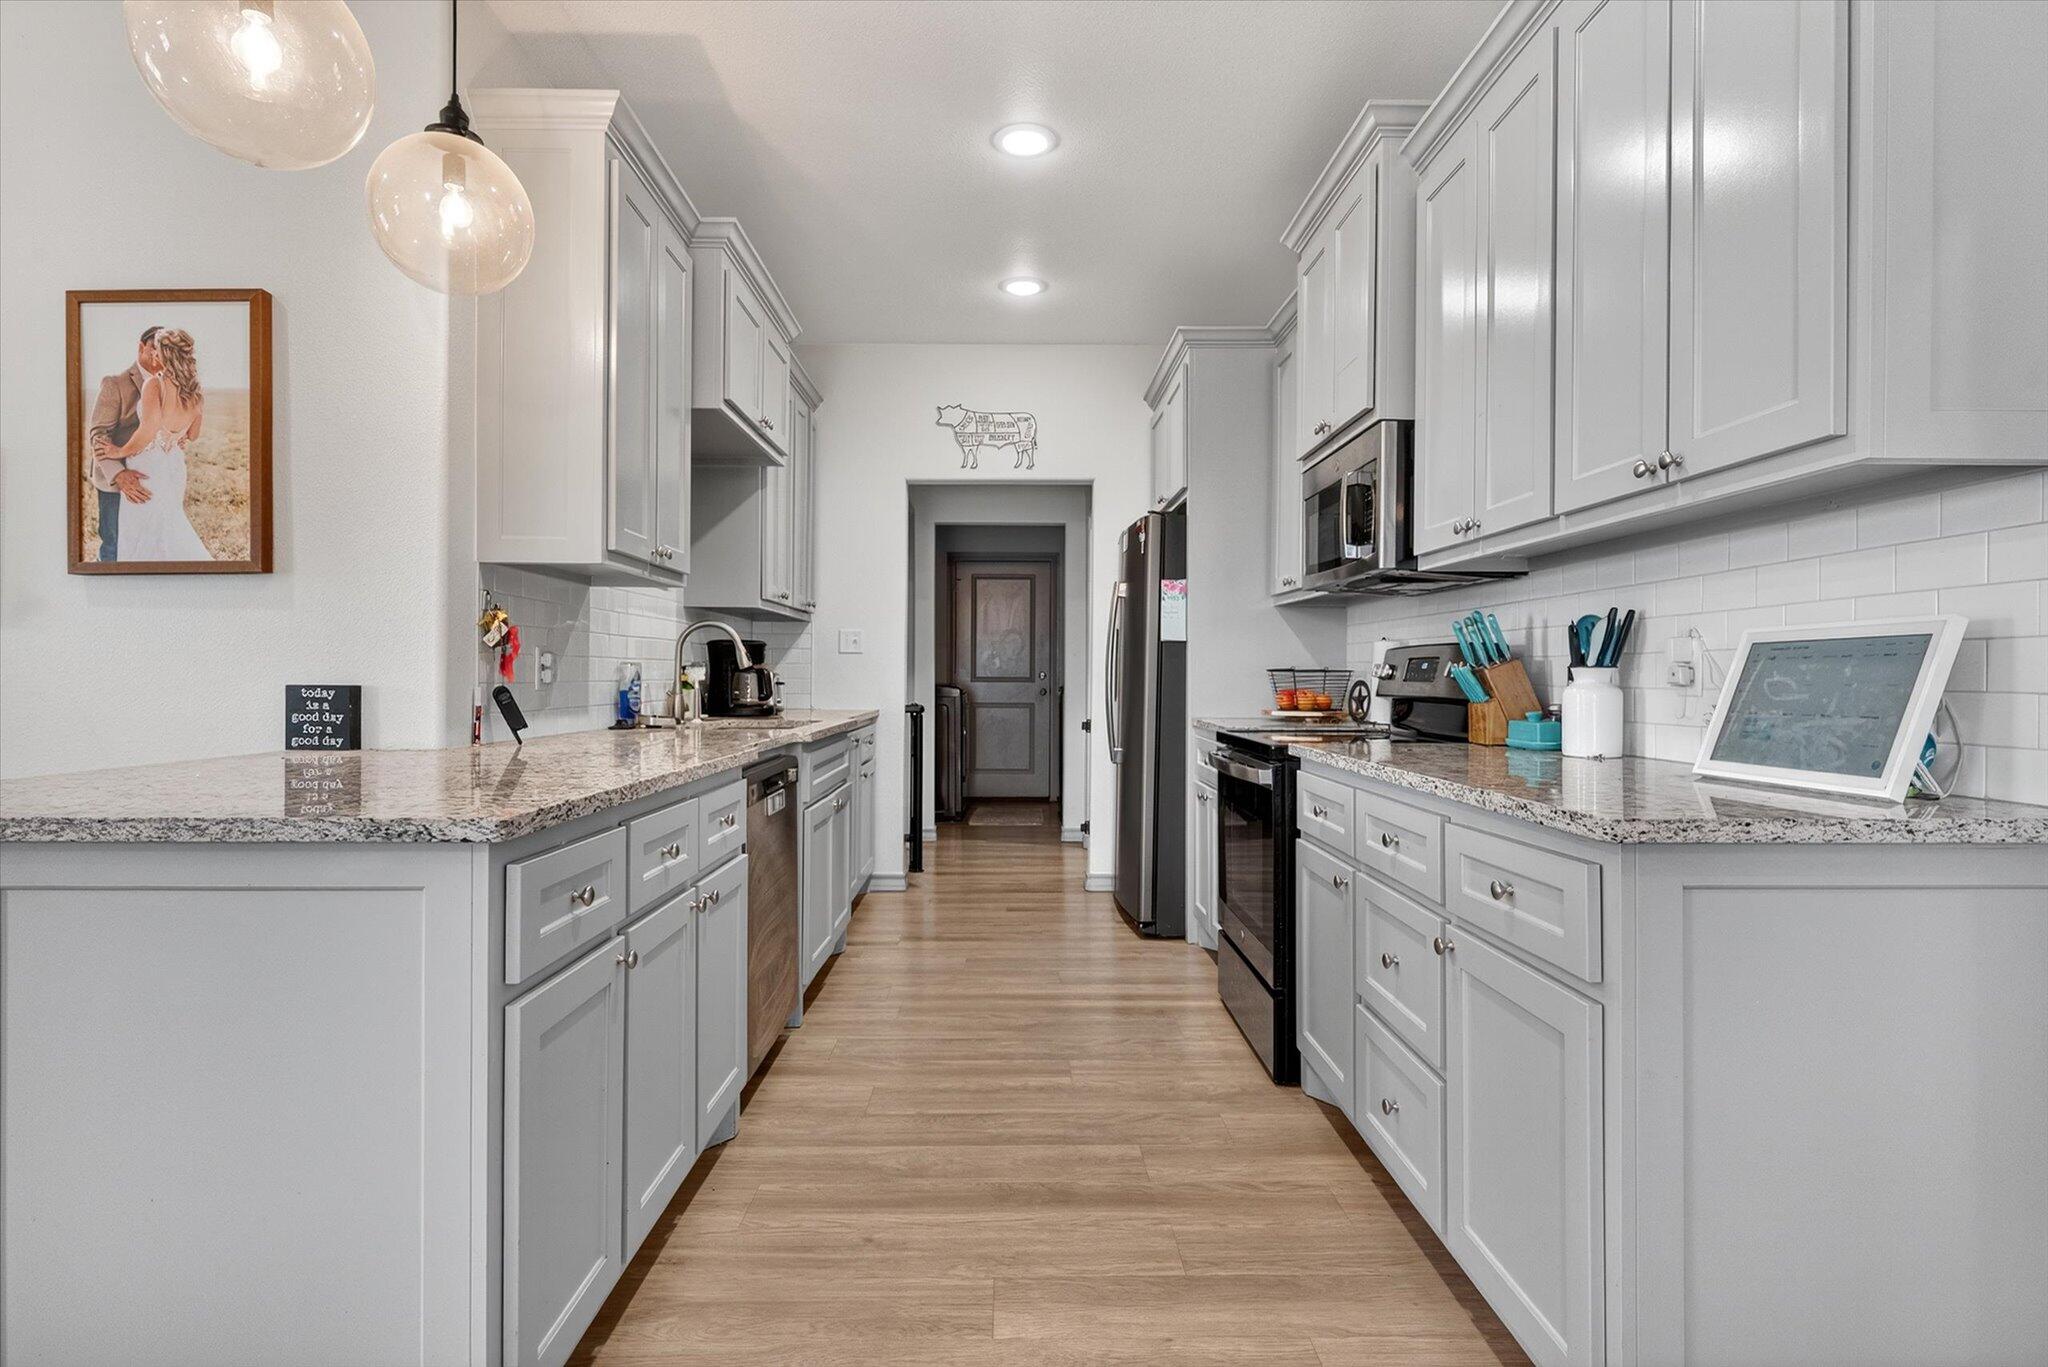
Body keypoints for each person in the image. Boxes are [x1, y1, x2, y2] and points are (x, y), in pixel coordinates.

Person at [100, 327, 209, 561]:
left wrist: (119, 450)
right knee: (169, 523)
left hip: (148, 467)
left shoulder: (154, 385)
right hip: (174, 467)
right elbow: (193, 434)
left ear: (163, 354)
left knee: (142, 530)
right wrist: (173, 436)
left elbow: (148, 430)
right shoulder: (196, 392)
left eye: (157, 350)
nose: (154, 356)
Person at [86, 326, 163, 562]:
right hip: (116, 482)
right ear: (141, 347)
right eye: (154, 349)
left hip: (154, 479)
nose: (159, 357)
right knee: (114, 546)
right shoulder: (115, 383)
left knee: (150, 545)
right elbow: (99, 435)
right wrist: (119, 475)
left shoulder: (170, 385)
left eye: (166, 351)